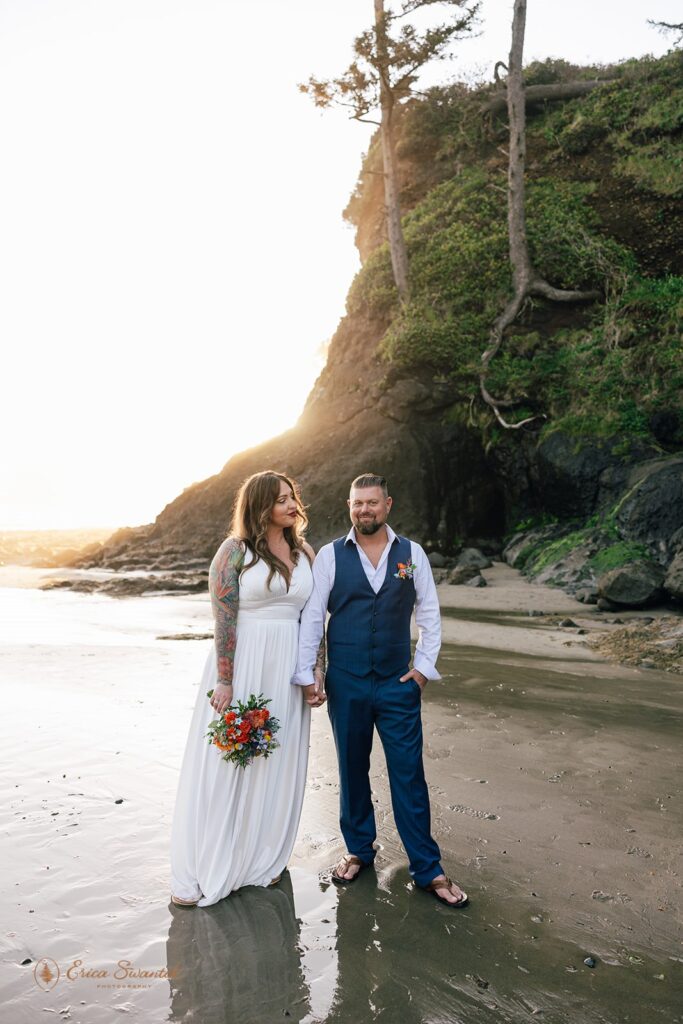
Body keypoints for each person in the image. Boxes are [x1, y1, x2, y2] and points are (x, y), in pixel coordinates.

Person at [293, 473, 468, 908]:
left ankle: (428, 869)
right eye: (357, 503)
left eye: (371, 502)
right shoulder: (331, 556)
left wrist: (423, 670)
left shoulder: (412, 554)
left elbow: (429, 613)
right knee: (351, 770)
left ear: (388, 504)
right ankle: (358, 850)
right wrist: (308, 675)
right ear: (349, 506)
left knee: (409, 775)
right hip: (346, 682)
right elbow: (314, 618)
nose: (364, 510)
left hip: (397, 684)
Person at [170, 470, 324, 907]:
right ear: (260, 507)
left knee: (277, 760)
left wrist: (316, 671)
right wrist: (225, 679)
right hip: (245, 665)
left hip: (288, 668)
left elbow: (314, 620)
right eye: (281, 499)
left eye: (293, 496)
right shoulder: (234, 551)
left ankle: (261, 858)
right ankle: (211, 861)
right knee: (230, 760)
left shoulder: (304, 551)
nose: (292, 505)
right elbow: (223, 617)